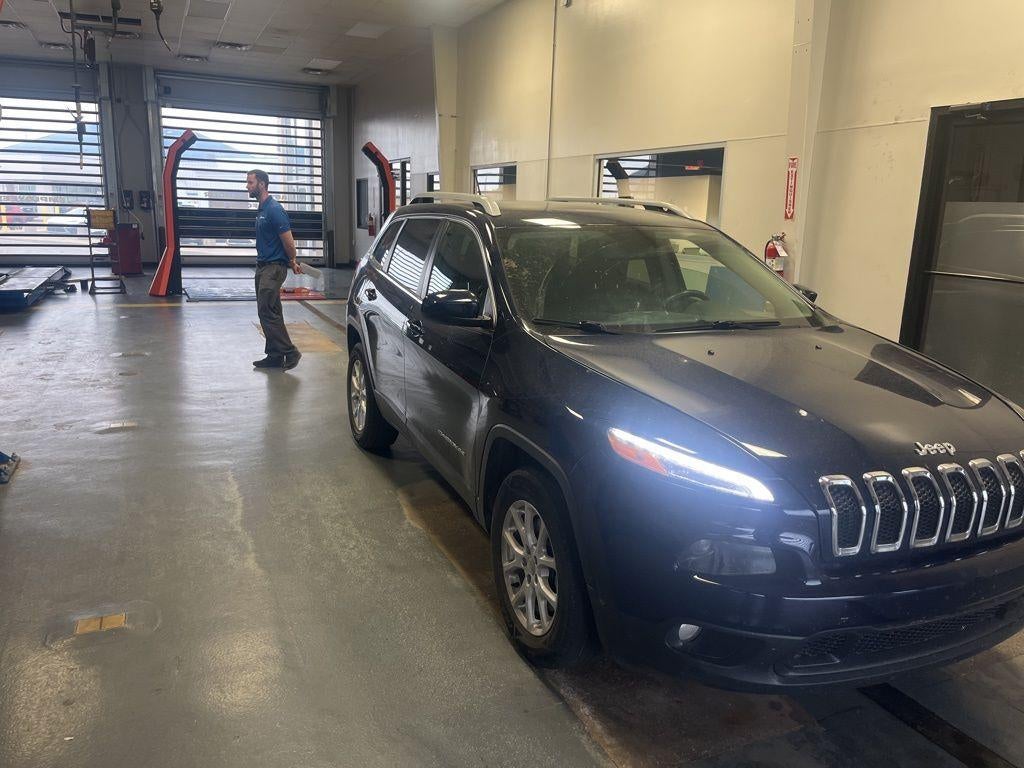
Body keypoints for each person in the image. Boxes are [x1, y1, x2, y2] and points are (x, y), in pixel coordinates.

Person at [246, 169, 302, 370]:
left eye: (250, 182)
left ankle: (290, 352)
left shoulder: (274, 209)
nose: (247, 186)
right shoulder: (262, 209)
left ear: (262, 184)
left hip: (273, 268)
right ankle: (275, 356)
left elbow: (288, 242)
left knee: (266, 311)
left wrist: (292, 260)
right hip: (262, 266)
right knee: (272, 312)